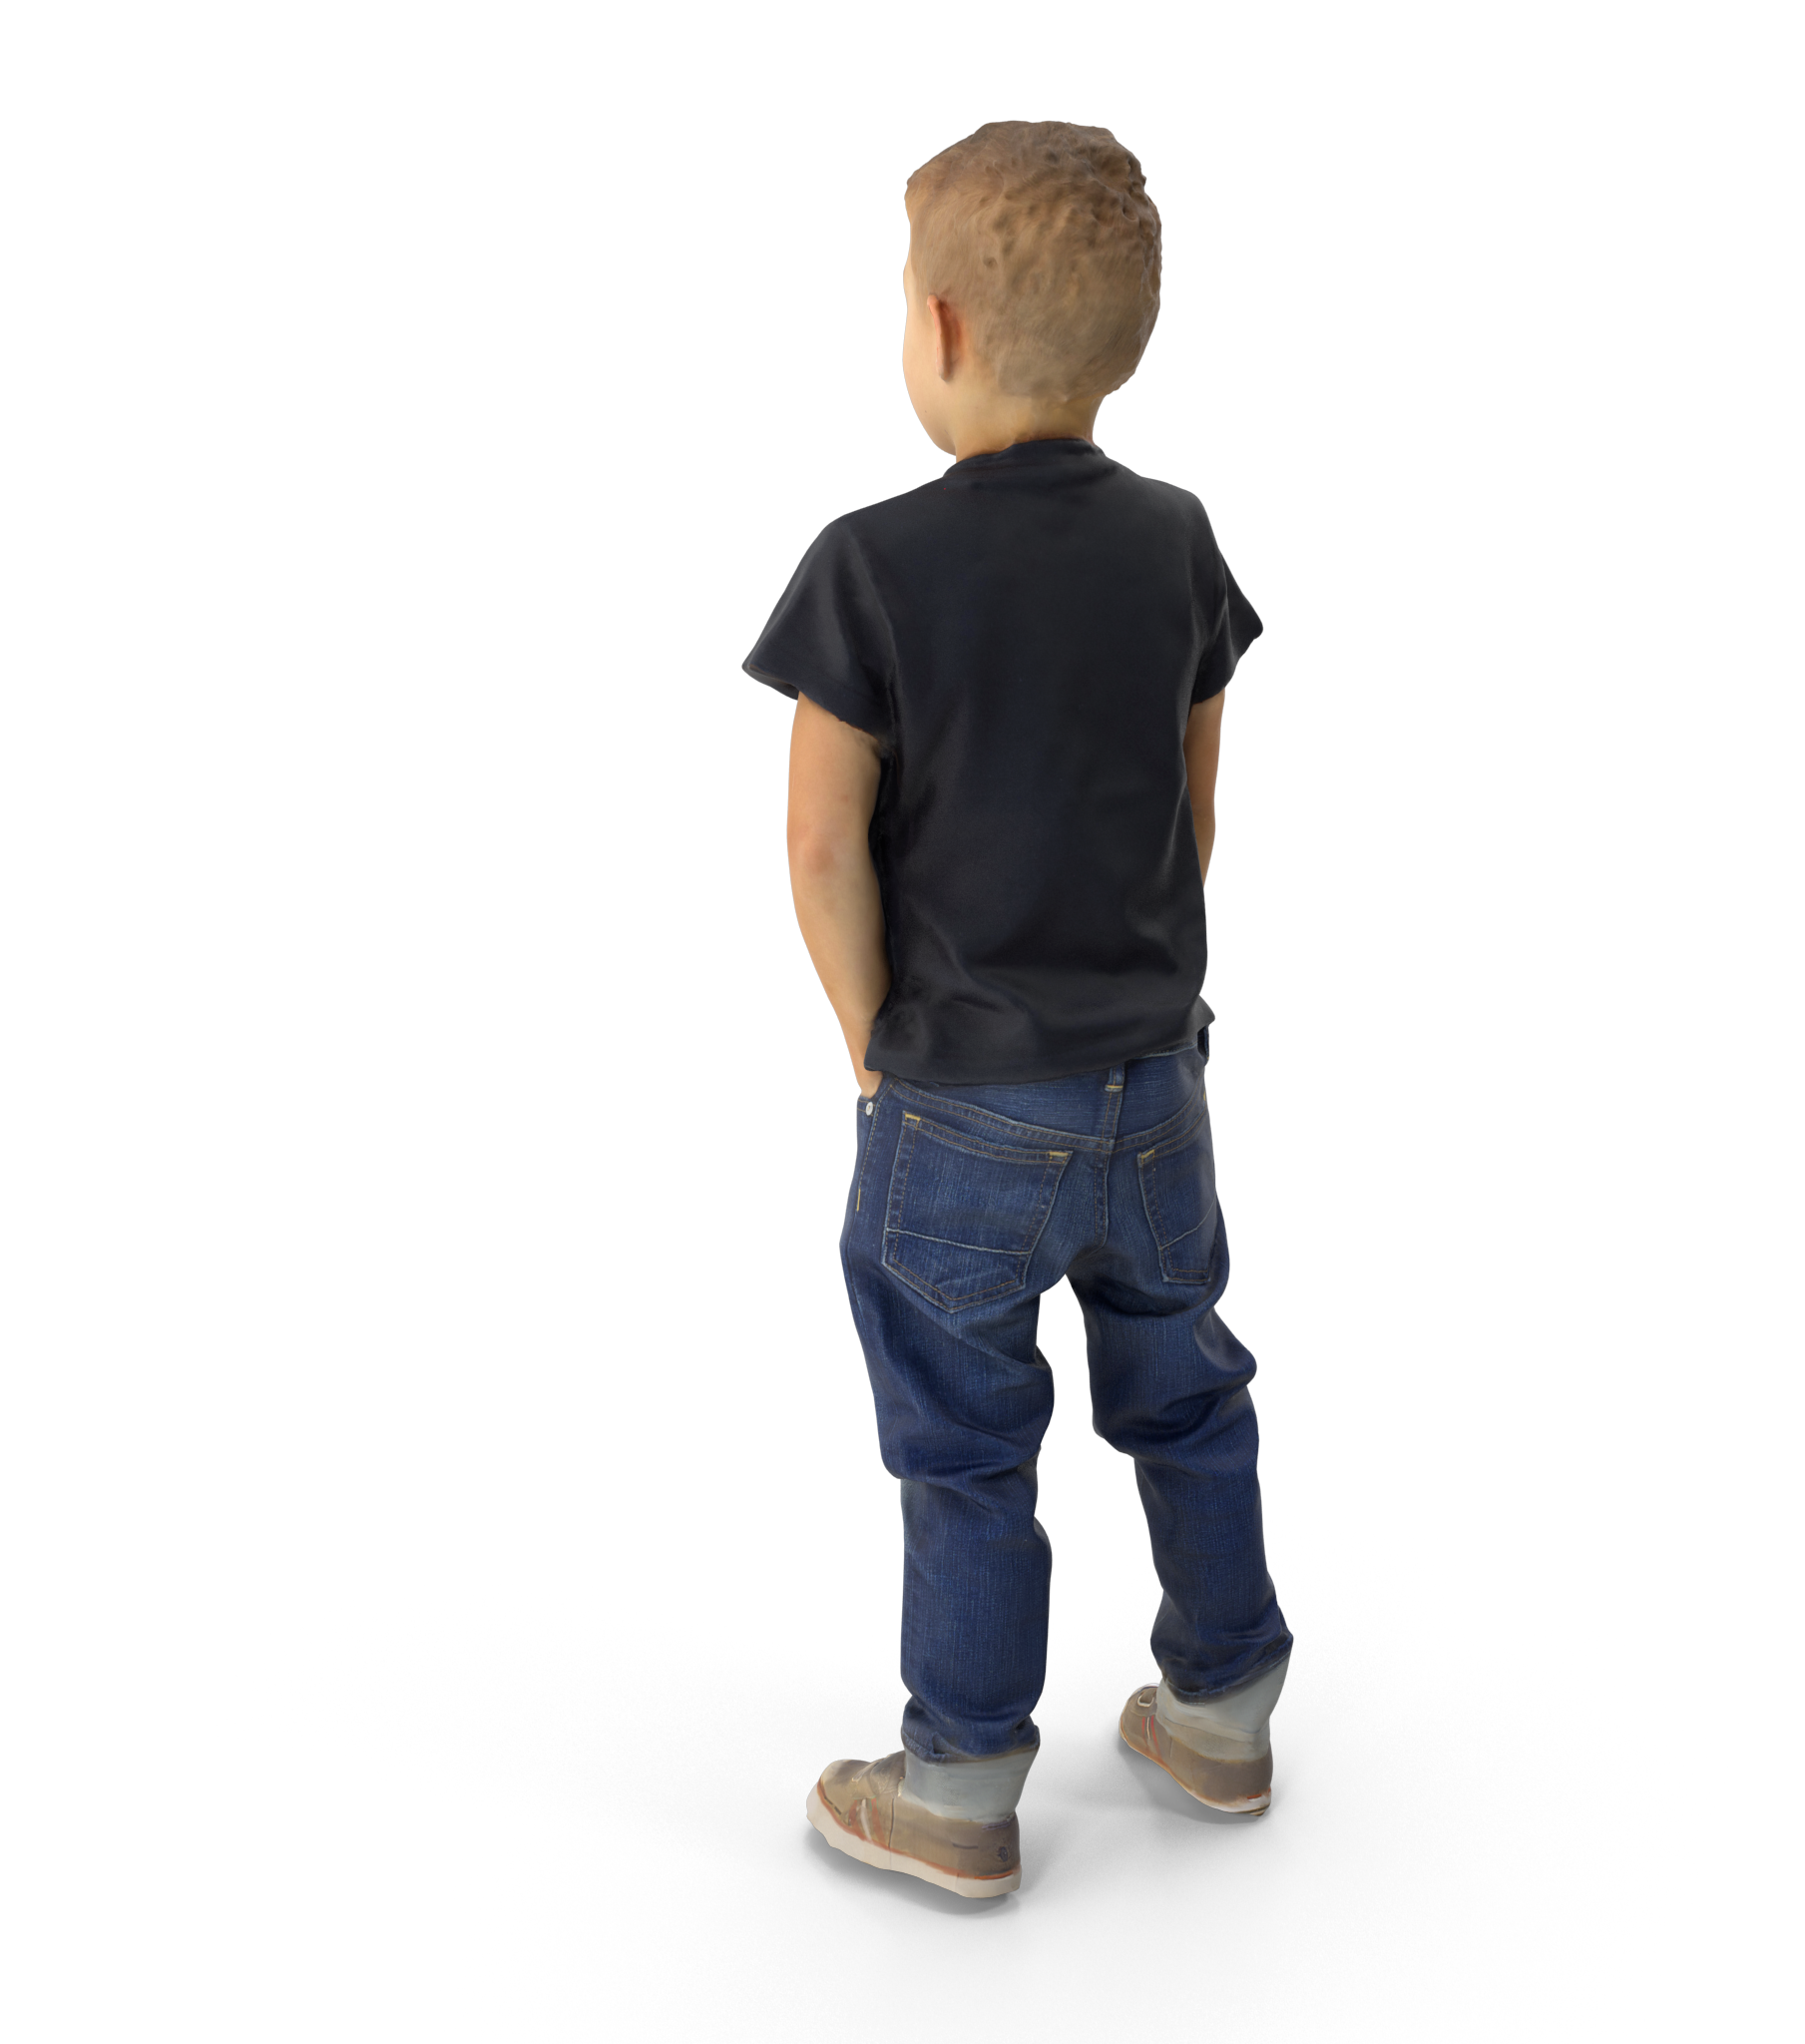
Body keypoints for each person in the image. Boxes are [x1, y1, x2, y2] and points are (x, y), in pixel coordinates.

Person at [741, 119, 1292, 1899]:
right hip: (1156, 1087)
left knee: (968, 1453)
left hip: (959, 1102)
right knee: (1189, 1398)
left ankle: (961, 1794)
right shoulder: (1178, 541)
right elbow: (1194, 815)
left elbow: (819, 843)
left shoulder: (869, 560)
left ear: (944, 328)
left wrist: (872, 1047)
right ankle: (1225, 1717)